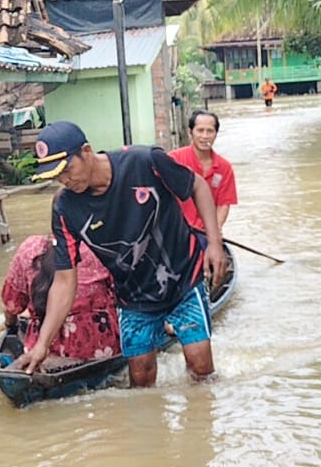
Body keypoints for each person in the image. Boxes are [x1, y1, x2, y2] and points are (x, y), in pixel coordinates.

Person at [15, 121, 228, 388]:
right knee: (140, 377)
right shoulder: (64, 207)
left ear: (87, 151)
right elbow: (64, 281)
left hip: (184, 276)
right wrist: (41, 345)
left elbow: (196, 185)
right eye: (57, 177)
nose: (66, 180)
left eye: (68, 170)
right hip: (133, 295)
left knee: (200, 368)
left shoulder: (144, 161)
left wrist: (215, 243)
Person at [1, 234, 119, 361]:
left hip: (39, 349)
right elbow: (121, 292)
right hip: (99, 345)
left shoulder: (29, 249)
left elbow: (12, 303)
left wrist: (10, 325)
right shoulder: (98, 245)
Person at [167, 110, 237, 233]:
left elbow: (223, 204)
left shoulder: (224, 167)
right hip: (176, 231)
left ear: (216, 134)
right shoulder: (174, 160)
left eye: (210, 131)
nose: (205, 136)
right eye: (200, 130)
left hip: (206, 232)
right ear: (190, 133)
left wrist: (214, 230)